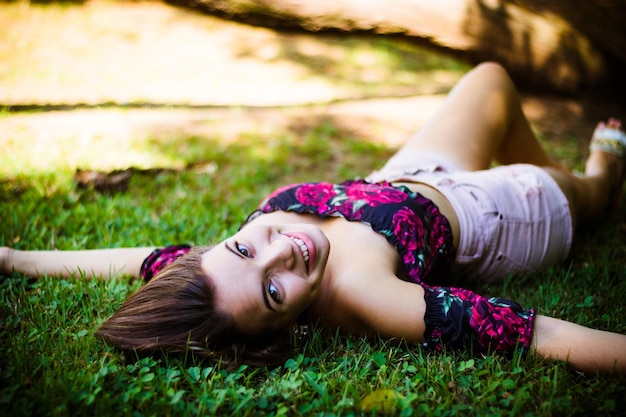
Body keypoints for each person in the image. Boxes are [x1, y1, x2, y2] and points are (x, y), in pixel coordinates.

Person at [1, 63, 625, 374]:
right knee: (587, 196)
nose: (282, 253)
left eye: (245, 250)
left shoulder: (222, 273)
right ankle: (595, 177)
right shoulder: (363, 295)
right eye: (275, 292)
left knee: (490, 80)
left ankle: (560, 166)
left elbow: (135, 259)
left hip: (408, 177)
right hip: (498, 214)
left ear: (217, 249)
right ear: (284, 329)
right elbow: (529, 334)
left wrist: (13, 259)